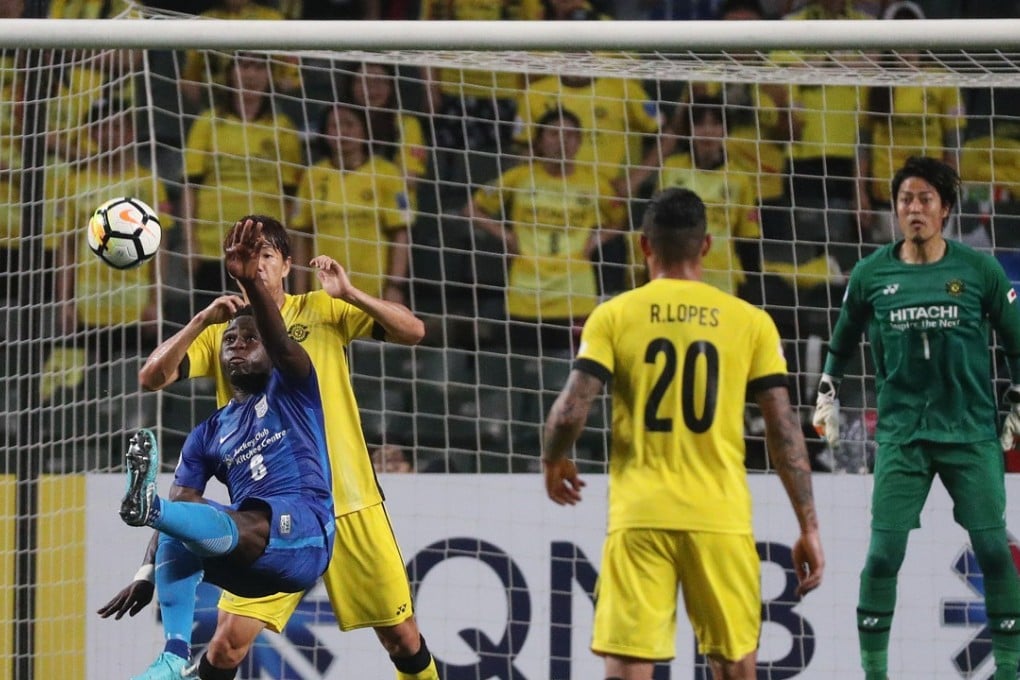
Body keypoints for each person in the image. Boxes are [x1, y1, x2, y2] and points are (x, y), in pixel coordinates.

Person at [98, 216, 437, 680]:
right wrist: (201, 321)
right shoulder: (228, 333)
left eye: (267, 256)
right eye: (249, 256)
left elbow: (414, 332)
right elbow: (151, 377)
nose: (257, 266)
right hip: (270, 508)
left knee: (402, 638)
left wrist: (352, 294)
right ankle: (175, 657)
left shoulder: (321, 308)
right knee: (225, 647)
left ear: (287, 265)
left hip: (351, 502)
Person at [541, 186, 824, 680]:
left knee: (628, 666)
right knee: (735, 666)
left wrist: (553, 460)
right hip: (720, 515)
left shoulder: (613, 314)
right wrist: (809, 525)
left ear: (644, 245)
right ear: (707, 246)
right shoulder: (750, 322)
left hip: (640, 515)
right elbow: (783, 431)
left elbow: (570, 411)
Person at [811, 156, 1020, 680]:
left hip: (970, 431)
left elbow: (1018, 342)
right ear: (896, 209)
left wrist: (1017, 401)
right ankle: (874, 674)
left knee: (995, 549)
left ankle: (1012, 671)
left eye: (925, 198)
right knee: (882, 557)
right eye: (906, 199)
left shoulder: (979, 271)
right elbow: (841, 342)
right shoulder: (872, 273)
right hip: (903, 435)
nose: (914, 208)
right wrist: (827, 394)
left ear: (945, 208)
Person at [120, 218, 335, 679]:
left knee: (233, 517)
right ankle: (175, 655)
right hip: (250, 566)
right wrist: (145, 570)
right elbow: (183, 511)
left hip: (306, 534)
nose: (237, 345)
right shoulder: (208, 433)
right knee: (181, 526)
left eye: (250, 339)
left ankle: (147, 506)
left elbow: (279, 337)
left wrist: (250, 282)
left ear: (270, 350)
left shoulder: (294, 387)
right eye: (230, 340)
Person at [465, 106, 626, 464]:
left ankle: (568, 453)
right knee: (523, 382)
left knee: (571, 384)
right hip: (526, 296)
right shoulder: (520, 177)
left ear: (580, 142)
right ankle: (519, 453)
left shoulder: (594, 183)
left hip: (576, 297)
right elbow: (473, 207)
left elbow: (620, 216)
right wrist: (505, 235)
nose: (562, 141)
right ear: (538, 140)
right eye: (553, 133)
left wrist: (596, 239)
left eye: (570, 135)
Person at [182, 52, 302, 312]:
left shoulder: (283, 128)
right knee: (214, 331)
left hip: (265, 248)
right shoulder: (208, 123)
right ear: (230, 74)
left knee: (265, 330)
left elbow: (292, 196)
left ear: (270, 75)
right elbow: (190, 187)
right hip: (214, 245)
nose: (251, 74)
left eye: (259, 67)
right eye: (244, 65)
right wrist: (190, 242)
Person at [290, 102, 413, 303]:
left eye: (349, 124)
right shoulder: (312, 176)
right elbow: (302, 237)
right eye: (334, 126)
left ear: (364, 130)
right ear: (324, 133)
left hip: (374, 292)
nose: (342, 132)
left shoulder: (386, 173)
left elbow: (400, 233)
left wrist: (394, 286)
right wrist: (299, 293)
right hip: (323, 292)